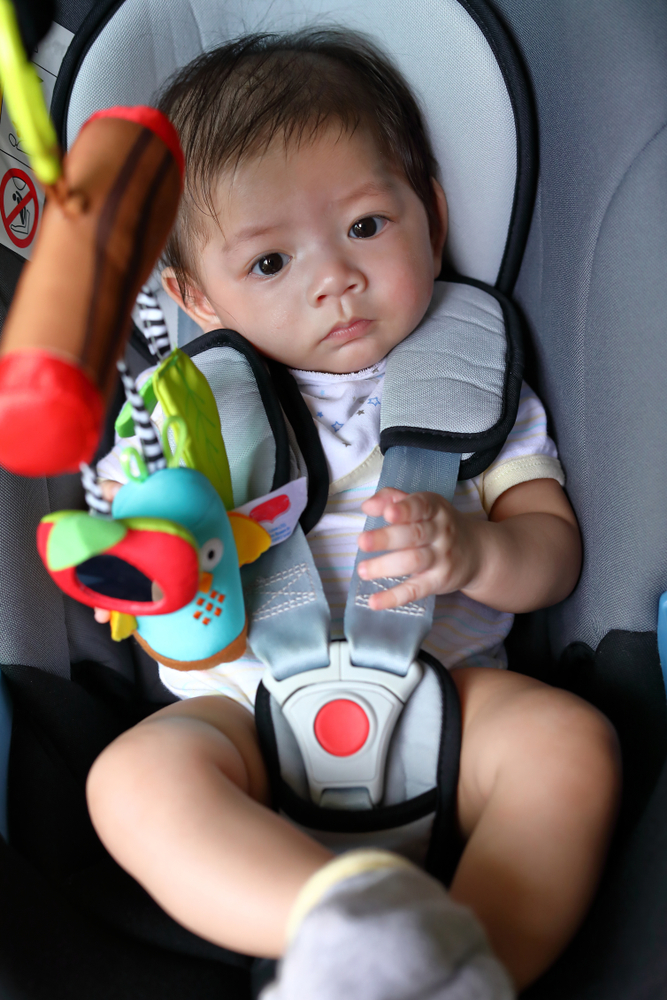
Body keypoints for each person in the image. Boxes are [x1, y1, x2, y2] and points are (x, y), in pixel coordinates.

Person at [87, 29, 620, 999]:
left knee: (573, 746)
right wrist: (142, 556)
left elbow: (553, 553)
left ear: (434, 213)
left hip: (448, 701)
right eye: (270, 261)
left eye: (367, 226)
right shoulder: (185, 414)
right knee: (130, 781)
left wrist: (475, 552)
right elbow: (140, 560)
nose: (333, 275)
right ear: (193, 297)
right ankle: (338, 925)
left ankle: (468, 966)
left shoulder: (466, 384)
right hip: (241, 719)